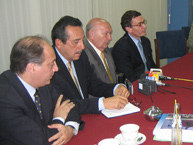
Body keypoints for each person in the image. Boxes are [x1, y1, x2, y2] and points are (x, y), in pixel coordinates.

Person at [0, 36, 83, 145]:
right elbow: (38, 139)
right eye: (51, 64)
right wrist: (58, 119)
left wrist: (70, 128)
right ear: (32, 68)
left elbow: (69, 106)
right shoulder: (5, 98)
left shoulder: (43, 82)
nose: (56, 68)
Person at [51, 16, 130, 115]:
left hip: (86, 115)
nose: (82, 46)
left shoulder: (81, 56)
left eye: (82, 40)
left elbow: (93, 84)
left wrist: (115, 88)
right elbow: (64, 105)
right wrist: (102, 103)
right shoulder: (49, 66)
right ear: (59, 43)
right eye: (76, 42)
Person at [112, 10, 157, 82]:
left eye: (143, 22)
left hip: (150, 79)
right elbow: (129, 77)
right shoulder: (121, 48)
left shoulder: (145, 41)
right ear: (129, 29)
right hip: (137, 84)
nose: (144, 26)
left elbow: (151, 65)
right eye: (139, 24)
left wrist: (158, 76)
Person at [84, 18, 117, 84]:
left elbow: (113, 75)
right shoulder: (83, 54)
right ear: (92, 34)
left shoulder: (105, 49)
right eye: (106, 33)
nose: (110, 38)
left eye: (110, 33)